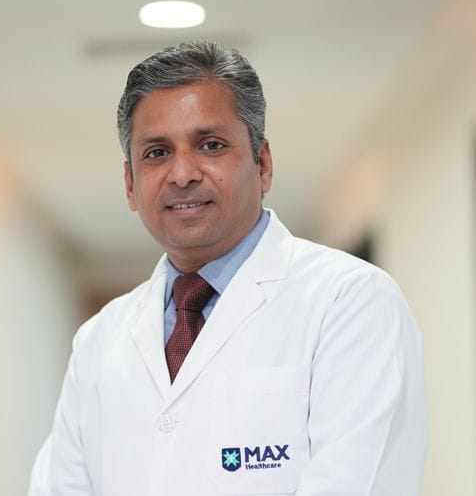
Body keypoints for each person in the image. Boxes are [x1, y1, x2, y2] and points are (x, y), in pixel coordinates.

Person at [28, 41, 427, 496]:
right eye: (156, 153)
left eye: (211, 145)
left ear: (263, 163)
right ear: (130, 185)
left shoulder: (349, 302)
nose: (182, 174)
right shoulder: (99, 341)